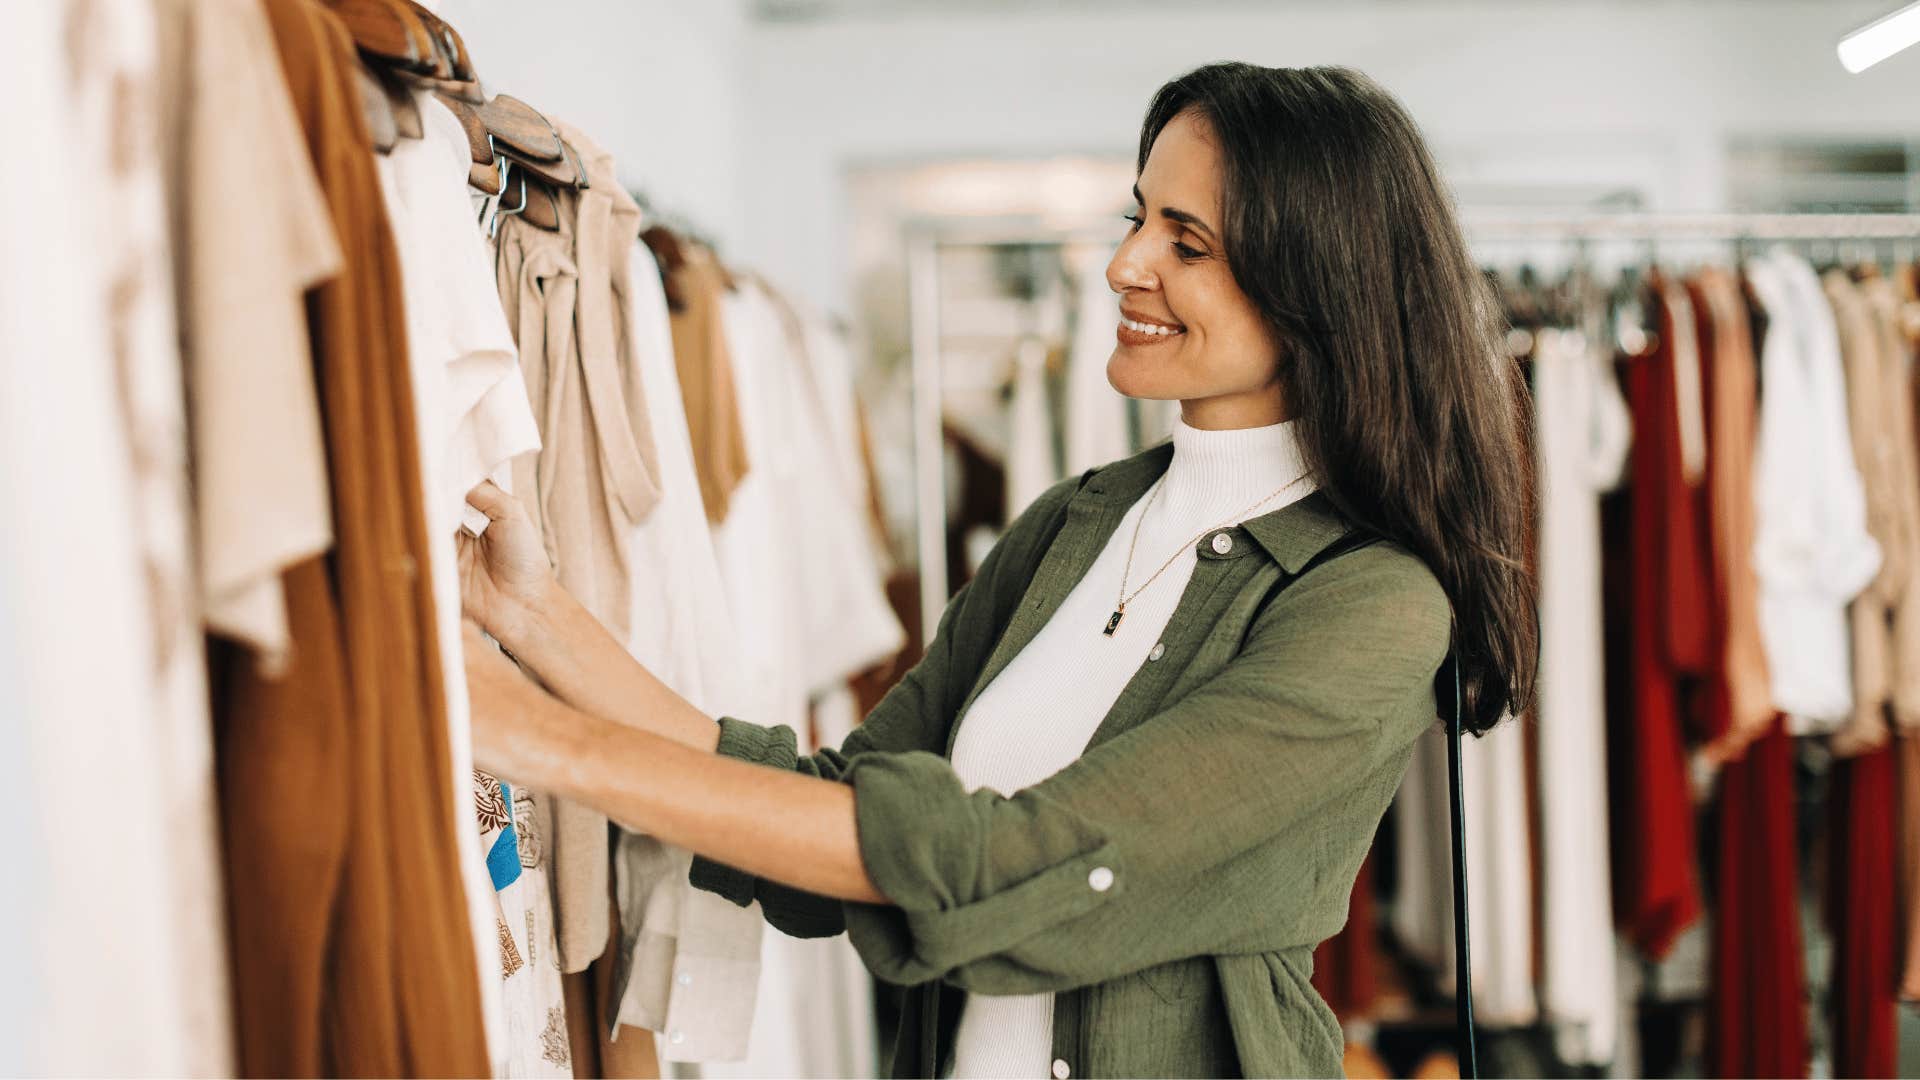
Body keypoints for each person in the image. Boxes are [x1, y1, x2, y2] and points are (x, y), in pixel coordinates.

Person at [459, 61, 1537, 1079]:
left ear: (1320, 288)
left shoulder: (1371, 604)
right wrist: (541, 620)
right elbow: (844, 805)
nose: (1125, 264)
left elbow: (1012, 865)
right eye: (1137, 216)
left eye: (1189, 241)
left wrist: (551, 745)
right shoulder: (1080, 521)